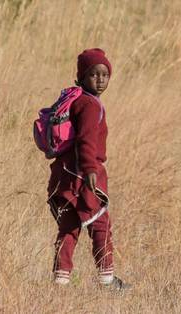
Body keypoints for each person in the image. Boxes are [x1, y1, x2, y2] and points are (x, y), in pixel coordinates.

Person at [47, 48, 129, 290]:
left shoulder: (76, 100)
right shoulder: (90, 105)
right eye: (94, 75)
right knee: (101, 225)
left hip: (66, 174)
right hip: (84, 177)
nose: (101, 80)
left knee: (69, 229)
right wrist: (90, 169)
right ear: (82, 76)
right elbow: (86, 139)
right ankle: (107, 279)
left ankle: (60, 280)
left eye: (105, 75)